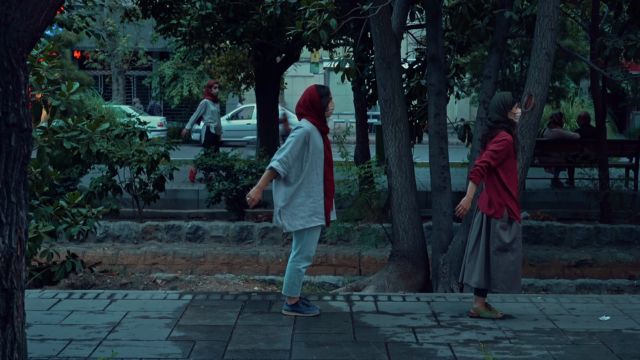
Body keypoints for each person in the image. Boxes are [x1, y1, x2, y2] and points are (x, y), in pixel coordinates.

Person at [246, 84, 336, 317]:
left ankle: (293, 296)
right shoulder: (305, 131)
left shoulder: (315, 130)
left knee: (302, 252)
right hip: (305, 203)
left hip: (311, 202)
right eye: (329, 100)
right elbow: (280, 162)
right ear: (318, 104)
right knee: (302, 254)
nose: (332, 105)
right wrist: (259, 188)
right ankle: (292, 302)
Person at [455, 91, 524, 320]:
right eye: (515, 107)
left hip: (492, 206)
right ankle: (478, 304)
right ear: (504, 111)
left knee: (484, 257)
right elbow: (480, 166)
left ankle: (480, 303)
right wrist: (468, 197)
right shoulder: (504, 139)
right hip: (497, 208)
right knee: (498, 255)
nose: (519, 110)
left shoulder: (499, 136)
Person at [540, 112, 580, 188]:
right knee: (570, 158)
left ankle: (556, 179)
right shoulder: (559, 132)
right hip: (555, 159)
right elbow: (576, 136)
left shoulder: (546, 131)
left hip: (544, 158)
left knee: (561, 154)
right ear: (559, 121)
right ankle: (570, 180)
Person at [181, 79, 222, 152]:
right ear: (210, 89)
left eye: (218, 88)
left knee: (216, 155)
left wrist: (220, 132)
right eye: (215, 88)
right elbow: (196, 115)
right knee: (208, 154)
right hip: (209, 131)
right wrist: (187, 128)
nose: (217, 90)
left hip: (216, 132)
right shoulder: (205, 102)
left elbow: (218, 119)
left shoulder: (217, 102)